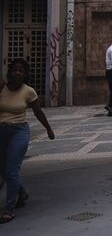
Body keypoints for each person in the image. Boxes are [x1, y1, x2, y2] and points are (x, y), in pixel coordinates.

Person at [0, 58, 55, 224]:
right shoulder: (2, 87)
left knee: (11, 168)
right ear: (10, 72)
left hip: (19, 132)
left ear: (25, 75)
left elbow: (38, 112)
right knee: (3, 169)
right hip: (2, 132)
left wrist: (48, 128)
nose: (18, 73)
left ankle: (9, 209)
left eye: (21, 71)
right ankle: (22, 192)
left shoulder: (28, 91)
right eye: (15, 70)